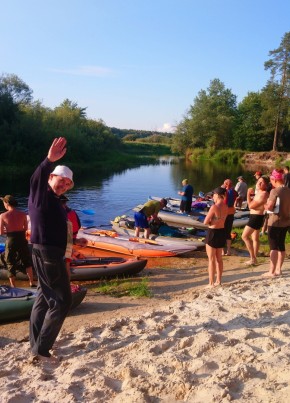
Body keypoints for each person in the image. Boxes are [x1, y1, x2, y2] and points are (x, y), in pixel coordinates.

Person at [28, 137, 74, 362]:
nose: (64, 184)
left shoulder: (54, 200)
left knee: (43, 299)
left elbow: (53, 225)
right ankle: (42, 349)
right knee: (62, 301)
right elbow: (36, 177)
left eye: (68, 183)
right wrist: (49, 160)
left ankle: (36, 346)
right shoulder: (41, 193)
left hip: (43, 251)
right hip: (47, 254)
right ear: (50, 177)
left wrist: (76, 242)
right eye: (61, 179)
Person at [0, 195, 36, 288]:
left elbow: (1, 232)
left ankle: (13, 286)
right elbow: (25, 228)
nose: (3, 204)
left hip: (11, 239)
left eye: (4, 203)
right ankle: (31, 282)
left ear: (7, 203)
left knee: (10, 262)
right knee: (26, 261)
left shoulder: (3, 215)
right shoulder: (23, 214)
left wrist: (8, 230)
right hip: (21, 239)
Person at [262, 168, 290, 277]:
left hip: (274, 222)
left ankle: (271, 271)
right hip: (286, 221)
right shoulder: (288, 190)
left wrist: (264, 205)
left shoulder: (275, 191)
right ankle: (279, 269)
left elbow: (269, 206)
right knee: (281, 246)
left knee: (273, 247)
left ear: (274, 179)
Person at [241, 176, 270, 265]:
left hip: (256, 217)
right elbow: (253, 204)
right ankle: (254, 257)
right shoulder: (259, 192)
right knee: (255, 238)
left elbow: (250, 206)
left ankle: (253, 258)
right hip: (256, 216)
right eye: (258, 181)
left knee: (244, 236)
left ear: (266, 184)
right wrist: (251, 195)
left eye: (262, 182)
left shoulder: (264, 194)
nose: (259, 183)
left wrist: (248, 194)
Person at [204, 187, 228, 287]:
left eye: (213, 195)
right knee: (219, 258)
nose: (212, 197)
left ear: (217, 195)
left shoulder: (214, 207)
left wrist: (211, 221)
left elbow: (205, 222)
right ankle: (219, 281)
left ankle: (211, 283)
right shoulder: (226, 206)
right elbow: (223, 219)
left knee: (211, 259)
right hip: (221, 232)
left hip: (213, 232)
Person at [59, 195, 87, 277]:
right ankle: (67, 284)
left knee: (62, 263)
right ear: (65, 202)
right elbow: (78, 226)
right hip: (71, 240)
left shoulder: (59, 213)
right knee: (67, 263)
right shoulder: (73, 212)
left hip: (62, 243)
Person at [222, 179, 238, 256]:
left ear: (226, 184)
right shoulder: (234, 192)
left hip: (224, 213)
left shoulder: (225, 192)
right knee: (228, 232)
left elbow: (224, 201)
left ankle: (222, 251)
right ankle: (228, 250)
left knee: (221, 231)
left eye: (224, 183)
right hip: (231, 213)